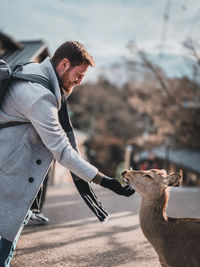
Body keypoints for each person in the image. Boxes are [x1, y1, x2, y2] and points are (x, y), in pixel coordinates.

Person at [0, 41, 134, 266]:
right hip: (8, 186)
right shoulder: (39, 96)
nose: (80, 82)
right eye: (79, 75)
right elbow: (62, 149)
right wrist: (106, 181)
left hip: (12, 181)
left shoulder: (33, 72)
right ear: (63, 64)